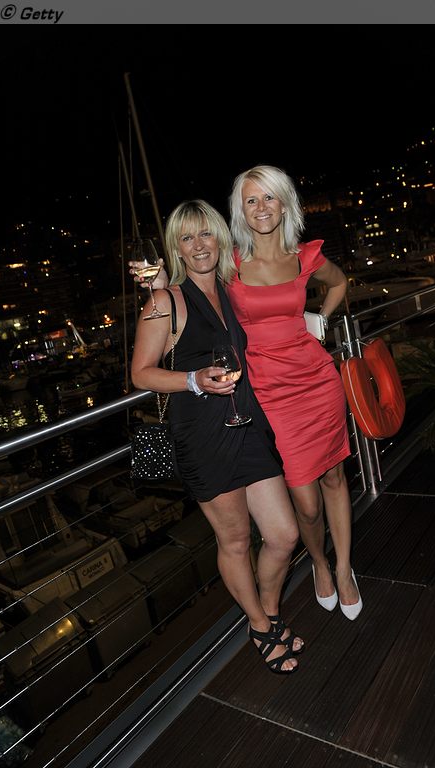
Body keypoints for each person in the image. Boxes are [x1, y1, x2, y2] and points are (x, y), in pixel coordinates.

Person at [130, 199, 303, 674]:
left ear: (221, 239)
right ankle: (260, 626)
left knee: (284, 535)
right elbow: (141, 374)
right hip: (203, 438)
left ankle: (269, 613)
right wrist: (193, 379)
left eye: (206, 233)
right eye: (187, 238)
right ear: (176, 249)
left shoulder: (232, 289)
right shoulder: (164, 303)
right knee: (236, 540)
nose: (199, 245)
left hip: (248, 428)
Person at [227, 165, 362, 620]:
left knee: (335, 478)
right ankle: (319, 560)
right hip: (269, 392)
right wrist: (156, 283)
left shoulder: (305, 257)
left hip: (317, 381)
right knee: (305, 501)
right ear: (240, 211)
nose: (261, 207)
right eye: (251, 200)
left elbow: (339, 282)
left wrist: (319, 319)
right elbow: (188, 295)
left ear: (285, 205)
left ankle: (342, 569)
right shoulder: (229, 264)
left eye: (270, 197)